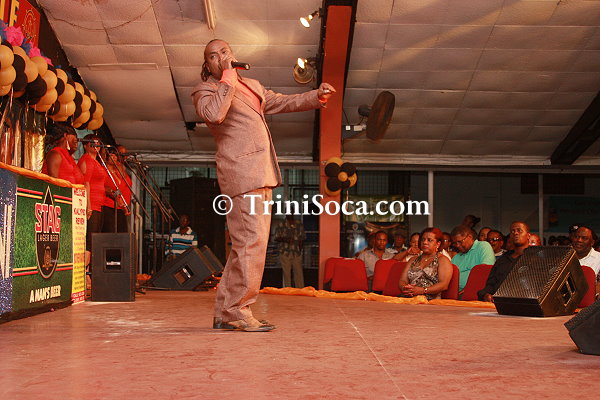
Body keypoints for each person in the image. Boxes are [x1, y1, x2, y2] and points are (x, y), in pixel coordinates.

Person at [192, 38, 335, 332]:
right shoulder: (205, 90)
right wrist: (228, 77)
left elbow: (281, 101)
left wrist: (315, 96)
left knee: (243, 246)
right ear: (207, 65)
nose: (220, 57)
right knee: (252, 243)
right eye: (213, 56)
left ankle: (224, 311)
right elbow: (214, 114)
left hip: (260, 173)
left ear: (233, 53)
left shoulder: (253, 85)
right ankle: (238, 310)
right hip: (242, 174)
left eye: (224, 52)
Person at [478, 221, 531, 302]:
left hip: (525, 302)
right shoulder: (503, 260)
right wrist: (486, 294)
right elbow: (491, 284)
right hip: (498, 301)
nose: (515, 233)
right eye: (512, 231)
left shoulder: (535, 258)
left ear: (528, 236)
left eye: (519, 230)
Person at [77, 134, 108, 270]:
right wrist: (88, 206)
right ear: (85, 145)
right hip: (92, 204)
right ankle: (84, 271)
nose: (96, 146)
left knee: (94, 239)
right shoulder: (87, 160)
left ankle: (88, 270)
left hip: (99, 204)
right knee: (89, 239)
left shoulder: (96, 162)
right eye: (92, 143)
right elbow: (86, 183)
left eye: (98, 143)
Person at [398, 227, 453, 300]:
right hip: (409, 298)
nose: (425, 242)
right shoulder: (412, 260)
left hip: (430, 301)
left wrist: (423, 290)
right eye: (423, 239)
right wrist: (406, 288)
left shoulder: (443, 260)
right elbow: (402, 280)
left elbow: (444, 285)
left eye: (429, 240)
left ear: (438, 243)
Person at [450, 225, 496, 291]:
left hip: (477, 292)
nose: (457, 245)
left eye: (460, 242)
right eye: (455, 243)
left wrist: (469, 289)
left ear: (470, 237)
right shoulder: (456, 257)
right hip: (456, 293)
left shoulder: (483, 246)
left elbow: (486, 272)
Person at [274, 215, 306, 288]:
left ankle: (300, 290)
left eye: (291, 212)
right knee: (286, 273)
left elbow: (302, 238)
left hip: (296, 252)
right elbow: (276, 238)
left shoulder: (299, 224)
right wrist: (285, 239)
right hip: (285, 252)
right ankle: (287, 290)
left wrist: (300, 249)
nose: (290, 214)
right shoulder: (281, 224)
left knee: (299, 273)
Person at [570, 226, 600, 297]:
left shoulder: (598, 259)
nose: (579, 240)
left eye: (584, 238)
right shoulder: (563, 258)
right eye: (576, 237)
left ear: (592, 242)